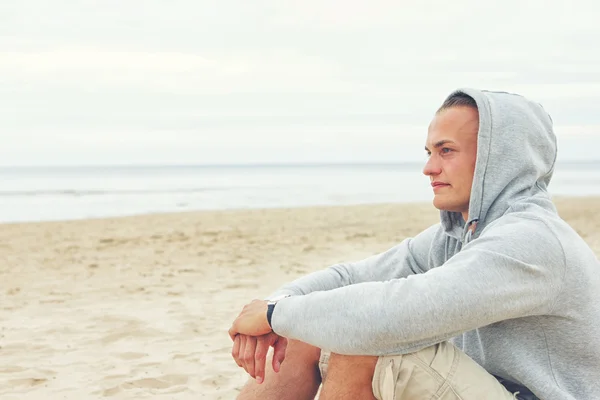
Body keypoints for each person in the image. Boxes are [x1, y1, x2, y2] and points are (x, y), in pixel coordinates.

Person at [228, 88, 600, 400]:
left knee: (365, 345)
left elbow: (396, 315)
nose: (429, 168)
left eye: (446, 151)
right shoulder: (459, 235)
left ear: (497, 160)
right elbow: (352, 277)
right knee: (305, 331)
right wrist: (276, 307)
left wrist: (277, 316)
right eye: (429, 152)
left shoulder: (530, 241)